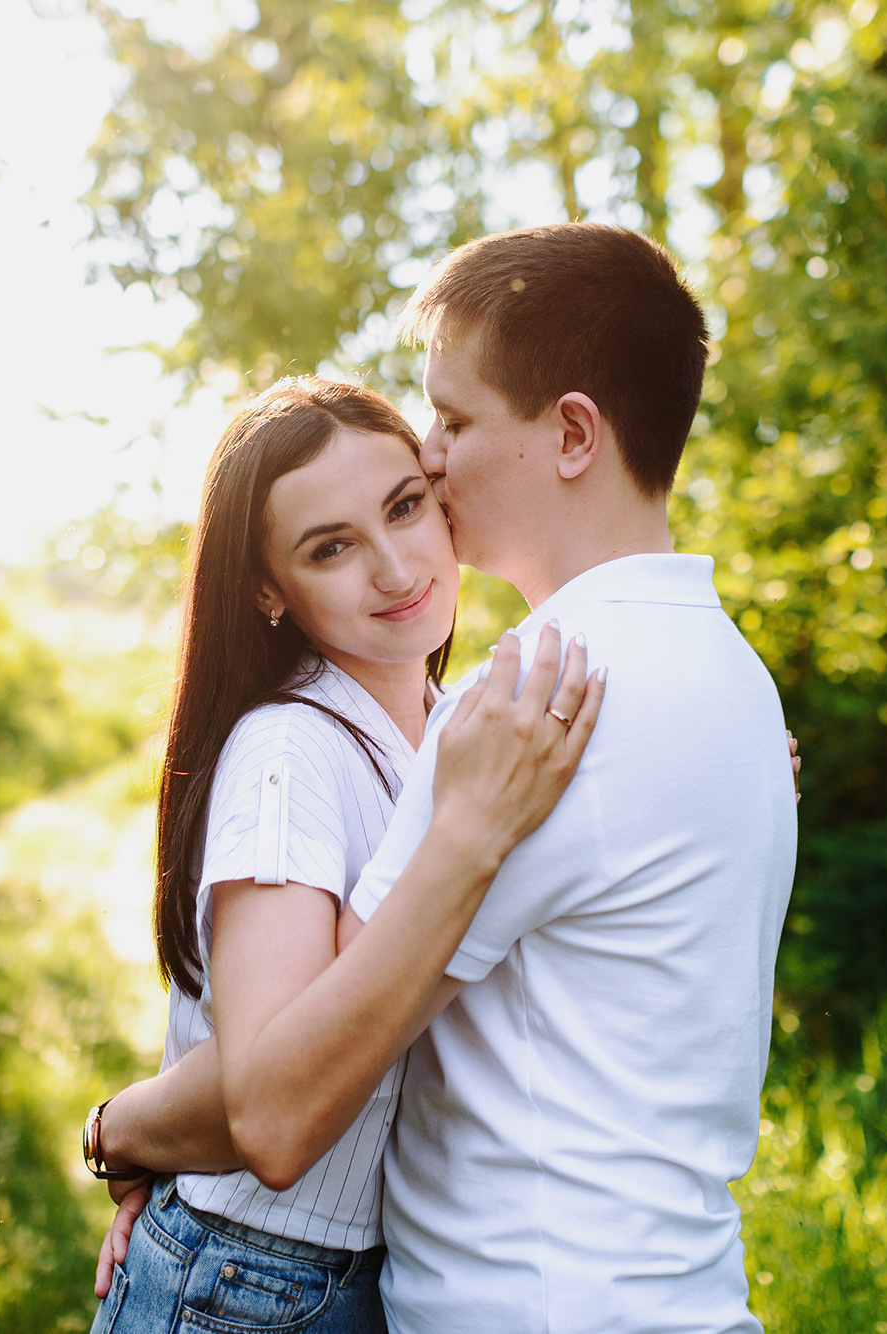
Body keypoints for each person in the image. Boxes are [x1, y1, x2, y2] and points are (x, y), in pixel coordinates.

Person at [96, 222, 799, 1334]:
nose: (429, 452)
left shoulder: (524, 709)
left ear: (572, 433)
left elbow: (277, 1097)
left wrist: (116, 1125)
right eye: (329, 544)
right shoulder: (734, 681)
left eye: (455, 420)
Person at [81, 376, 607, 1333]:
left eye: (406, 508)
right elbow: (271, 1106)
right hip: (248, 1283)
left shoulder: (453, 732)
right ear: (267, 590)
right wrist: (119, 1132)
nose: (398, 568)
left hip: (372, 1275)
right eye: (332, 547)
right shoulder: (294, 749)